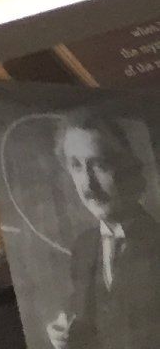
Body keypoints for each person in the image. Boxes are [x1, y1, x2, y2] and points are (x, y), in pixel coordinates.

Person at [48, 111, 160, 349]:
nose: (88, 185)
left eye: (99, 164)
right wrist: (64, 334)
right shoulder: (84, 246)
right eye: (76, 166)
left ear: (129, 169)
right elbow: (85, 320)